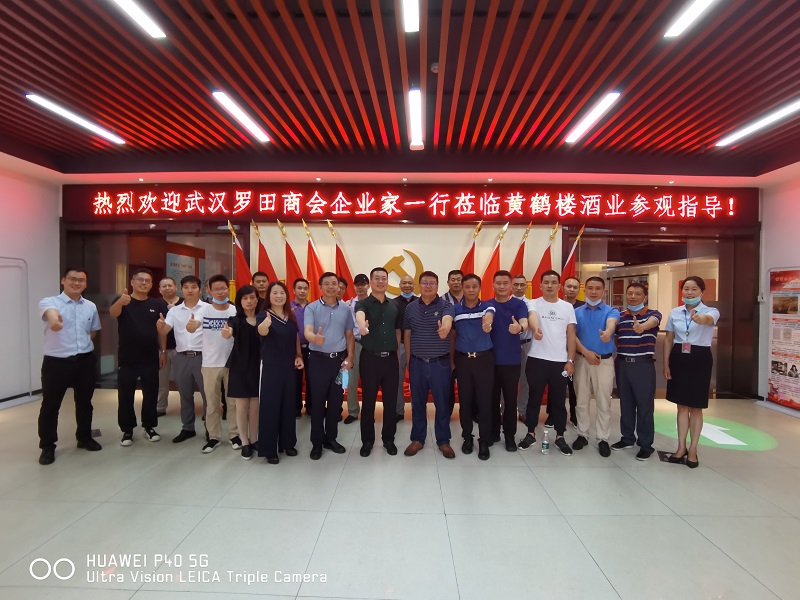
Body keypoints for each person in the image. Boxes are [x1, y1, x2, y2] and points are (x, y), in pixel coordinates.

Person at [37, 267, 102, 465]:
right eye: (72, 279)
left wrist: (83, 345)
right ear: (63, 280)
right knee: (51, 405)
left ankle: (84, 437)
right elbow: (51, 314)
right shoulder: (50, 302)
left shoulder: (90, 306)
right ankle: (47, 446)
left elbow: (93, 331)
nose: (77, 283)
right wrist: (55, 321)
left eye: (81, 280)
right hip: (57, 362)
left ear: (86, 284)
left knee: (85, 402)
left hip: (84, 360)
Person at [664, 276, 720, 469]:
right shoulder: (675, 312)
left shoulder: (711, 311)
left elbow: (708, 320)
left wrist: (699, 318)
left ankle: (693, 449)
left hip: (700, 358)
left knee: (696, 407)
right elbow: (669, 339)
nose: (689, 292)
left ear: (702, 292)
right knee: (681, 406)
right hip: (679, 357)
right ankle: (681, 447)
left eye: (694, 289)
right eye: (686, 289)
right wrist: (666, 364)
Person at [518, 270, 576, 456]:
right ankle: (530, 433)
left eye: (553, 282)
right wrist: (536, 329)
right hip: (537, 360)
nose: (550, 285)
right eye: (546, 282)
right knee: (534, 399)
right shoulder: (533, 303)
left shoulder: (567, 307)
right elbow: (532, 317)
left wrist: (570, 360)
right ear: (540, 285)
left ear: (559, 286)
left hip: (560, 362)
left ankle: (560, 436)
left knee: (558, 401)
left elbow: (571, 335)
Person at [403, 271, 455, 458]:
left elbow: (448, 321)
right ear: (419, 285)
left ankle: (443, 441)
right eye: (424, 283)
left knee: (442, 404)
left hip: (439, 364)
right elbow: (407, 334)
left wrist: (445, 328)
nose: (428, 286)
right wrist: (409, 360)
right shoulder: (410, 308)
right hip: (417, 362)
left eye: (432, 283)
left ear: (437, 285)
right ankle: (418, 439)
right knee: (417, 403)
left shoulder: (446, 306)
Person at [304, 272, 355, 460]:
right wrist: (314, 338)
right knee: (317, 403)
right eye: (327, 283)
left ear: (339, 287)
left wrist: (350, 357)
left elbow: (349, 335)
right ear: (320, 287)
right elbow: (308, 330)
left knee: (335, 403)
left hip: (338, 362)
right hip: (317, 360)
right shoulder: (312, 308)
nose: (331, 287)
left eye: (334, 283)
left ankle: (331, 439)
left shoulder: (346, 309)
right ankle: (317, 442)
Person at [109, 268, 163, 446]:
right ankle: (127, 430)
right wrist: (120, 302)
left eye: (148, 280)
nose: (144, 283)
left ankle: (149, 426)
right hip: (128, 358)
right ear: (132, 282)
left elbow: (162, 329)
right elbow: (113, 313)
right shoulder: (123, 300)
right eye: (140, 279)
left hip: (150, 357)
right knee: (126, 395)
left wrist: (163, 351)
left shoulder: (156, 304)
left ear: (152, 284)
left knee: (151, 394)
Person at [188, 275, 239, 454]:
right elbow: (193, 326)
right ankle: (214, 437)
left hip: (232, 363)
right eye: (216, 289)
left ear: (228, 289)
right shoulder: (204, 310)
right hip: (210, 364)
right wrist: (191, 325)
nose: (220, 292)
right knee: (212, 403)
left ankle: (234, 435)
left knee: (233, 403)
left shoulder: (234, 310)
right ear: (209, 291)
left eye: (223, 288)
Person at [354, 267, 402, 456]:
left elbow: (397, 331)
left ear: (387, 281)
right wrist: (361, 326)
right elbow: (360, 316)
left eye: (384, 278)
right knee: (368, 402)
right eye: (377, 278)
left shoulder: (394, 305)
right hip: (370, 359)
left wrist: (396, 354)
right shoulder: (363, 303)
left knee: (390, 402)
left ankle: (389, 439)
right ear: (371, 282)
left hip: (390, 360)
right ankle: (367, 441)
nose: (381, 281)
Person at [612, 282, 661, 461]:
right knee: (626, 404)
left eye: (638, 294)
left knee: (644, 406)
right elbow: (616, 338)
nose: (633, 296)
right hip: (623, 363)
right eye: (630, 293)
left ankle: (646, 444)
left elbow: (653, 322)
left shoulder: (653, 314)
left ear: (645, 297)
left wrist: (642, 326)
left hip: (643, 365)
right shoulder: (620, 317)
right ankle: (627, 438)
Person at [158, 275, 209, 444]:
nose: (190, 290)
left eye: (193, 287)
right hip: (181, 357)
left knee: (208, 396)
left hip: (203, 357)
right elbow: (165, 330)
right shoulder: (174, 311)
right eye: (186, 287)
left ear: (199, 290)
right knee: (185, 395)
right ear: (182, 290)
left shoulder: (208, 308)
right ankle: (188, 428)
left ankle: (211, 430)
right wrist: (160, 326)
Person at [572, 277, 619, 457]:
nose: (593, 291)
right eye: (590, 288)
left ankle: (603, 438)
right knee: (581, 400)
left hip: (603, 362)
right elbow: (572, 336)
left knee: (603, 401)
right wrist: (586, 352)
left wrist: (608, 333)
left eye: (597, 288)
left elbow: (611, 324)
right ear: (585, 290)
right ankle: (582, 434)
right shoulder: (576, 312)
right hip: (582, 360)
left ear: (603, 291)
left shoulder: (611, 311)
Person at [257, 281, 304, 464]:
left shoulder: (289, 316)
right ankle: (269, 449)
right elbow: (261, 331)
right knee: (270, 407)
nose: (279, 296)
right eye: (275, 293)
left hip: (289, 368)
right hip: (271, 368)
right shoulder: (264, 315)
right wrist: (265, 325)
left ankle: (287, 443)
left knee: (288, 406)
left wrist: (298, 355)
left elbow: (295, 338)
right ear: (269, 296)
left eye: (282, 293)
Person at [452, 274, 495, 460]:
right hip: (463, 360)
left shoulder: (487, 306)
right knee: (465, 401)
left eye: (474, 286)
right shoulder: (455, 309)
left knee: (485, 401)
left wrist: (487, 323)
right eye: (467, 287)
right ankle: (467, 437)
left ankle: (483, 440)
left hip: (484, 360)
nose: (471, 290)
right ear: (462, 288)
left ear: (479, 288)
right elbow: (451, 331)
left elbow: (489, 316)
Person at [486, 270, 529, 452]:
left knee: (510, 400)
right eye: (498, 283)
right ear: (493, 285)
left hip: (511, 361)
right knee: (491, 399)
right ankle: (494, 432)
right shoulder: (487, 304)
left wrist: (520, 328)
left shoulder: (518, 304)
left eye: (505, 283)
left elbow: (525, 322)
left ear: (510, 285)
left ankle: (510, 436)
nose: (502, 286)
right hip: (490, 361)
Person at [222, 285, 261, 460]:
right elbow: (229, 330)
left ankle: (254, 439)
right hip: (239, 367)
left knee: (255, 406)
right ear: (240, 301)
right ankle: (244, 442)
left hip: (258, 367)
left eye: (252, 297)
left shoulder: (263, 318)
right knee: (241, 406)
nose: (249, 301)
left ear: (257, 299)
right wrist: (226, 332)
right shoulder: (235, 320)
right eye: (245, 298)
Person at [548, 276, 583, 428]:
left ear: (579, 289)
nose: (572, 289)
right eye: (569, 286)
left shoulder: (583, 308)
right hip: (557, 353)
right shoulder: (556, 305)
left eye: (575, 287)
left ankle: (574, 416)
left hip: (577, 354)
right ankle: (552, 415)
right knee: (555, 386)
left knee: (574, 387)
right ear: (562, 288)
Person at [345, 273, 370, 424]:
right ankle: (353, 411)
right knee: (352, 380)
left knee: (369, 381)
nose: (360, 287)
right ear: (354, 286)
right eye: (357, 285)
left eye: (363, 284)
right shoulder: (348, 305)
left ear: (368, 285)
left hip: (370, 344)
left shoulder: (374, 302)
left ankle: (368, 412)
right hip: (354, 344)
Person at [156, 276, 181, 416]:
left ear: (176, 287)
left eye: (170, 285)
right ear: (159, 289)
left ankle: (187, 407)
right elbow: (159, 330)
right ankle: (160, 407)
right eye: (164, 286)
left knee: (184, 381)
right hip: (162, 349)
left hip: (181, 349)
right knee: (162, 381)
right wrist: (163, 351)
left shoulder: (184, 303)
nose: (167, 288)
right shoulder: (155, 304)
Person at [394, 274, 417, 422]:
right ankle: (398, 411)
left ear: (414, 285)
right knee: (397, 379)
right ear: (400, 285)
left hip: (417, 346)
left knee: (417, 380)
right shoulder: (393, 303)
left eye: (410, 283)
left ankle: (417, 410)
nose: (407, 285)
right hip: (400, 346)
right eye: (404, 283)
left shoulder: (421, 302)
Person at [511, 274, 532, 424]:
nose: (519, 288)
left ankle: (523, 410)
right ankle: (505, 410)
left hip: (527, 344)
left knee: (526, 379)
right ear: (511, 286)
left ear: (526, 286)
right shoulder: (506, 302)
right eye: (516, 284)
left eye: (522, 285)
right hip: (509, 344)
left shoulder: (532, 305)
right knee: (507, 379)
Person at [442, 269, 463, 416]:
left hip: (466, 347)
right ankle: (447, 412)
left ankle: (470, 412)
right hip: (446, 347)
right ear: (448, 282)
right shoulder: (441, 301)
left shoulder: (471, 299)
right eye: (453, 280)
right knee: (447, 382)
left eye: (459, 279)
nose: (456, 282)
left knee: (467, 382)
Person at [291, 278, 312, 417]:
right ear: (294, 290)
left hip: (312, 348)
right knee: (295, 379)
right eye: (299, 288)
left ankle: (310, 407)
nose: (302, 291)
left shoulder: (313, 307)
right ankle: (296, 408)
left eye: (305, 288)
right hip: (293, 349)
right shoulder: (287, 307)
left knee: (312, 378)